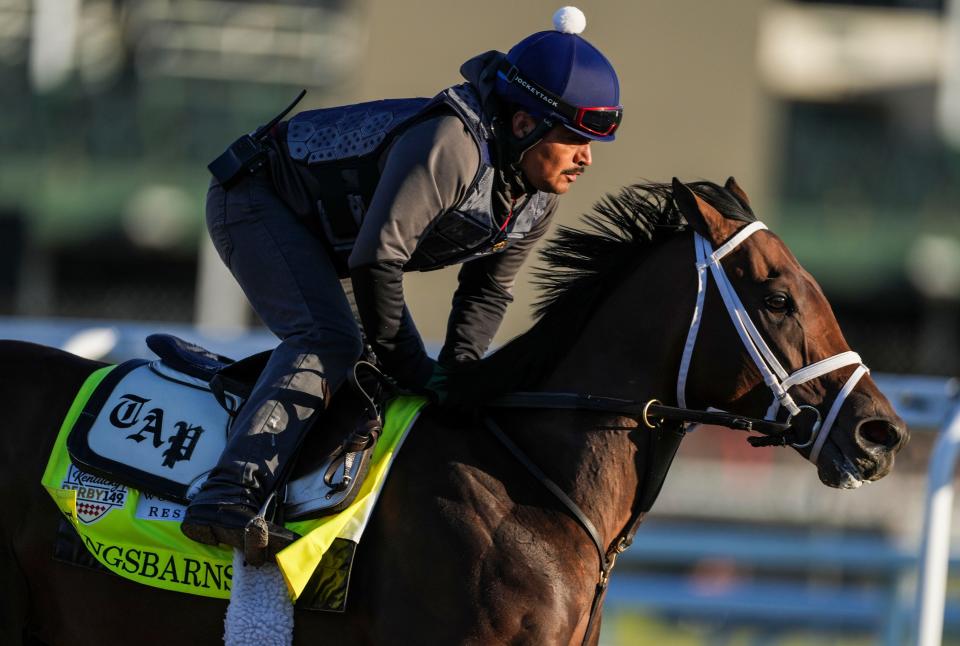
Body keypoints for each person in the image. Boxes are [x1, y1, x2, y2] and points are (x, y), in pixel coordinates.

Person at [181, 6, 623, 557]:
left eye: (591, 145)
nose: (585, 159)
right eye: (574, 139)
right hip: (255, 199)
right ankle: (226, 494)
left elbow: (486, 291)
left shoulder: (536, 199)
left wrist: (458, 376)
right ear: (523, 124)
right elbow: (376, 263)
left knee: (372, 364)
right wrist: (417, 368)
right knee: (330, 339)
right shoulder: (452, 145)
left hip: (327, 239)